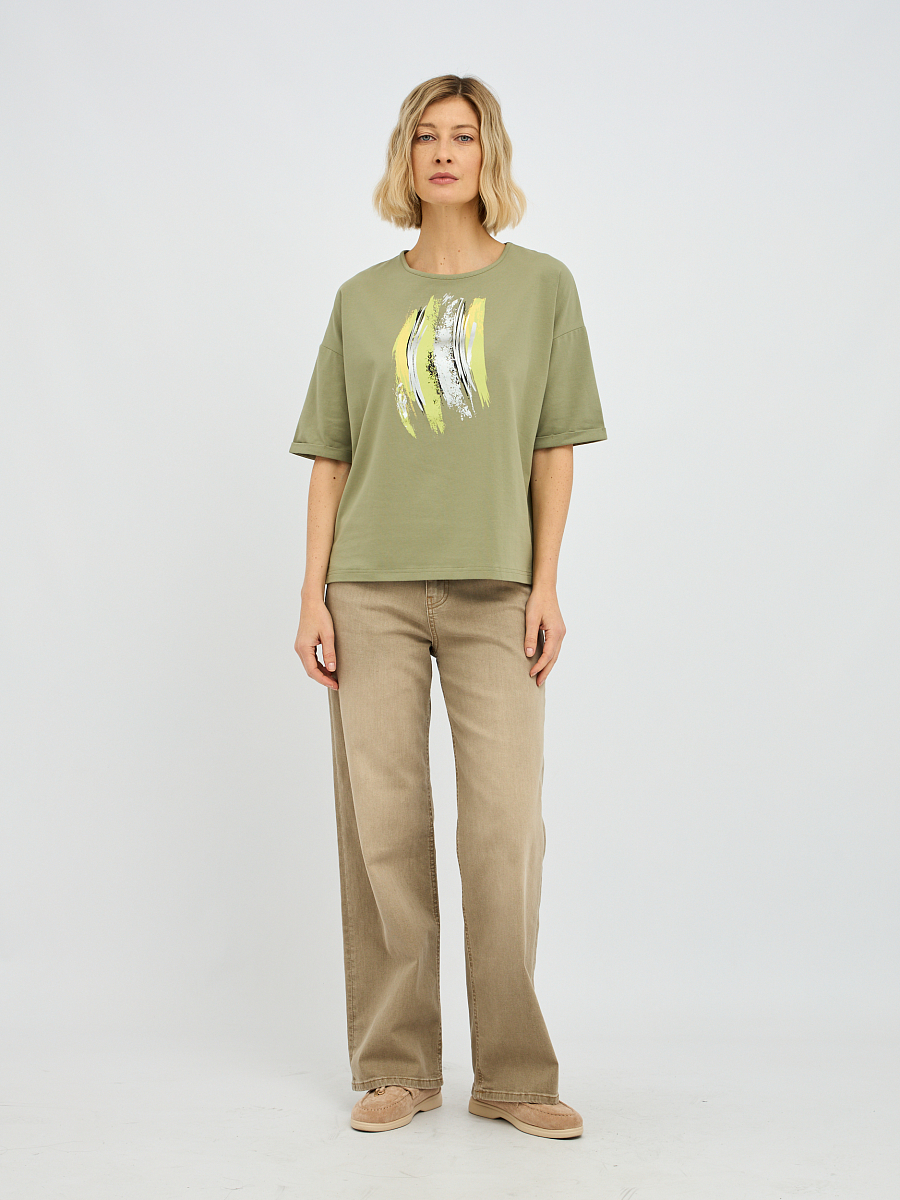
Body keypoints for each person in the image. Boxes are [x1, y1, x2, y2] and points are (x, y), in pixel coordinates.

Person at [290, 74, 606, 1139]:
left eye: (462, 135)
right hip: (368, 589)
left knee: (504, 829)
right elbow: (331, 456)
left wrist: (546, 582)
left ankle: (514, 1075)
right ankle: (398, 1065)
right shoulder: (360, 300)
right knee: (382, 829)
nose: (442, 152)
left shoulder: (544, 287)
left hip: (496, 591)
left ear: (487, 155)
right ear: (406, 156)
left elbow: (554, 447)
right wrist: (312, 594)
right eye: (425, 135)